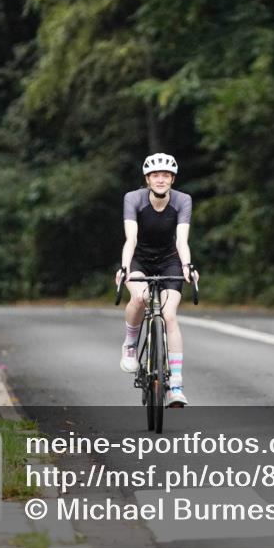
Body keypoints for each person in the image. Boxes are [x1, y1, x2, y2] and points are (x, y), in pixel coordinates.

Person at [116, 153, 197, 407]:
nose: (160, 180)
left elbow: (182, 240)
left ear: (172, 179)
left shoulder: (183, 200)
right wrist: (125, 267)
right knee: (139, 298)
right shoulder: (134, 199)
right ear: (147, 179)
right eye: (155, 175)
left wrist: (186, 266)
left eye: (165, 175)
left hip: (169, 260)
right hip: (139, 260)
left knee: (169, 315)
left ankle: (175, 386)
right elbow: (131, 239)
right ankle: (130, 344)